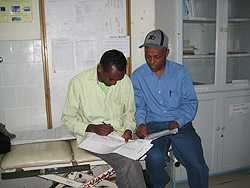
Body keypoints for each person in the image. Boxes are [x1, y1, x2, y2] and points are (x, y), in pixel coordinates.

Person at [131, 29, 209, 188]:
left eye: (156, 57)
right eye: (148, 56)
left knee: (197, 164)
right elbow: (139, 106)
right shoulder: (138, 76)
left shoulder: (180, 73)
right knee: (154, 158)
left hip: (180, 125)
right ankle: (159, 182)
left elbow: (190, 102)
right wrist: (141, 124)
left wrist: (179, 121)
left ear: (166, 52)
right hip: (154, 125)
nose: (151, 61)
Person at [61, 49, 146, 188]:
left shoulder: (124, 81)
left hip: (119, 137)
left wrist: (129, 130)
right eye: (111, 79)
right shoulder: (78, 83)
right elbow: (66, 120)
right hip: (92, 138)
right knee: (129, 163)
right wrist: (92, 127)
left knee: (137, 158)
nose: (114, 83)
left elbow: (130, 113)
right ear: (100, 69)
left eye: (118, 79)